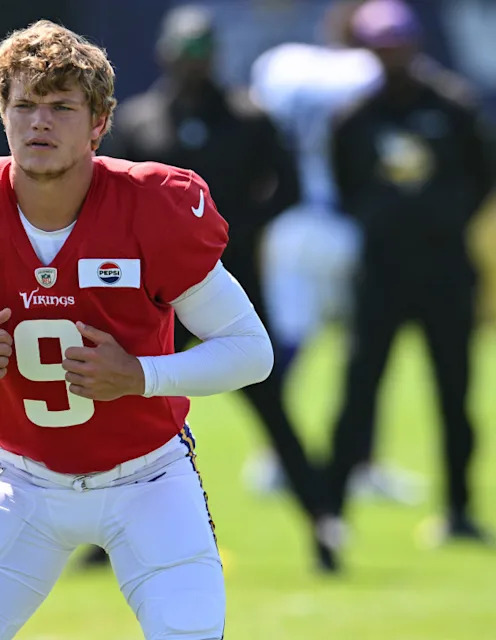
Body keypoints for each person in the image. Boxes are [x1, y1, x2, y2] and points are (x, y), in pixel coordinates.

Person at [0, 20, 275, 639]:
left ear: (99, 121)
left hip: (148, 477)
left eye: (62, 107)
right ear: (3, 113)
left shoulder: (151, 206)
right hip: (17, 479)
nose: (40, 122)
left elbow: (250, 351)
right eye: (26, 105)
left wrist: (139, 376)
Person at [81, 4, 335, 571]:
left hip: (232, 286)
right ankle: (102, 536)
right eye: (184, 52)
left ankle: (324, 524)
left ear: (215, 56)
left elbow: (288, 187)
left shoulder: (249, 117)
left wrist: (228, 232)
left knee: (271, 407)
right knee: (131, 408)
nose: (193, 63)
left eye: (203, 52)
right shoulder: (144, 121)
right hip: (157, 297)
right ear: (165, 53)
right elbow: (107, 198)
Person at [325, 0, 494, 564]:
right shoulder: (355, 115)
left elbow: (480, 178)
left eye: (398, 42)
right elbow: (348, 187)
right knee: (359, 391)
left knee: (454, 394)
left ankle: (460, 510)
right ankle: (332, 511)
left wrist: (438, 219)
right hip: (383, 274)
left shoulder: (453, 105)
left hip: (445, 272)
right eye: (381, 44)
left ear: (414, 43)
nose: (391, 53)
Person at [249, 0, 425, 505]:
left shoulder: (282, 65)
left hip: (292, 224)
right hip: (347, 224)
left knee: (285, 347)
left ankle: (274, 455)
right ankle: (361, 461)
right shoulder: (364, 72)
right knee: (364, 349)